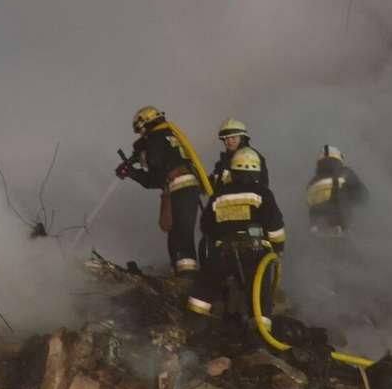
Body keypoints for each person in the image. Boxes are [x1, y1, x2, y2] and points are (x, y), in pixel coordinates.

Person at [187, 147, 285, 329]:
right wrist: (277, 250)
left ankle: (194, 323)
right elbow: (275, 226)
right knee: (259, 291)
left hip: (223, 251)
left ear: (233, 171)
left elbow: (206, 225)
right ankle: (259, 334)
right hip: (255, 252)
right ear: (256, 171)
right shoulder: (262, 193)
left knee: (206, 284)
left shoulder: (219, 195)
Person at [116, 106, 202, 276]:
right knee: (177, 235)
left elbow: (154, 171)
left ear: (146, 123)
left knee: (181, 235)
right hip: (184, 189)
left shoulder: (156, 136)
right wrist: (132, 171)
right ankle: (181, 272)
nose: (140, 135)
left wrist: (138, 160)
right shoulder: (169, 136)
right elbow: (155, 179)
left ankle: (187, 278)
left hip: (180, 187)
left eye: (140, 130)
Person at [307, 145, 368, 236]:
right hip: (340, 231)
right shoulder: (344, 173)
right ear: (338, 158)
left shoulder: (311, 183)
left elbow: (310, 207)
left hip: (317, 233)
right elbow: (363, 197)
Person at [210, 118, 269, 192]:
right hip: (225, 202)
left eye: (233, 137)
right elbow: (215, 184)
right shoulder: (221, 164)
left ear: (242, 138)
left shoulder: (252, 158)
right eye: (226, 138)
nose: (229, 141)